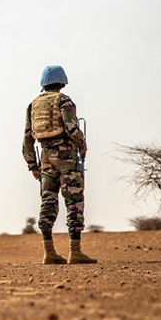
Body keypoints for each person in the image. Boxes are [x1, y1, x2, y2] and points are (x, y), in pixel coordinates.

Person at [22, 65, 97, 265]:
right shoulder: (64, 100)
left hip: (45, 160)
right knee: (74, 201)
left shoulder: (33, 105)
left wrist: (33, 166)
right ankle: (75, 251)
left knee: (47, 202)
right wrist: (82, 144)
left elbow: (27, 139)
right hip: (67, 158)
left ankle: (49, 252)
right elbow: (72, 128)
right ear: (62, 82)